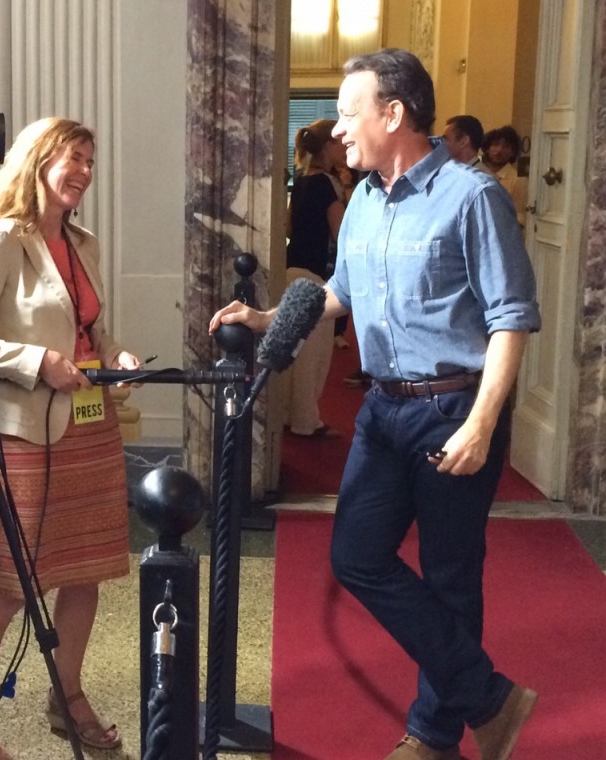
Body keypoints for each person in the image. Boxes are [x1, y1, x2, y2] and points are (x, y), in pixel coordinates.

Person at [211, 48, 541, 760]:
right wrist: (270, 319)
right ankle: (489, 697)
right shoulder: (361, 200)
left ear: (393, 113)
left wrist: (483, 423)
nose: (338, 128)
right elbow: (341, 295)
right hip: (385, 412)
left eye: (349, 110)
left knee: (452, 575)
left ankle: (432, 736)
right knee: (357, 556)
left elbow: (511, 319)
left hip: (455, 407)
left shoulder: (471, 196)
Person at [0, 117, 141, 759]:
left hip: (89, 428)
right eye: (73, 157)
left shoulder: (81, 240)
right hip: (25, 436)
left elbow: (90, 329)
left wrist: (117, 356)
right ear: (37, 159)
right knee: (9, 586)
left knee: (84, 575)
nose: (84, 171)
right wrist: (37, 363)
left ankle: (67, 693)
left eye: (91, 160)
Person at [285, 119, 345, 437]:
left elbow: (290, 228)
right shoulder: (328, 184)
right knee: (314, 358)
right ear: (328, 147)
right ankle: (307, 421)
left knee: (293, 352)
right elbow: (341, 234)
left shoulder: (302, 180)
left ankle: (289, 415)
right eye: (338, 142)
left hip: (292, 267)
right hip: (315, 274)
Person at [481, 126, 528, 227]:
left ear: (512, 152)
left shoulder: (517, 179)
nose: (499, 150)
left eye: (506, 146)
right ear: (487, 149)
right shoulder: (480, 175)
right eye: (495, 145)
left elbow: (519, 215)